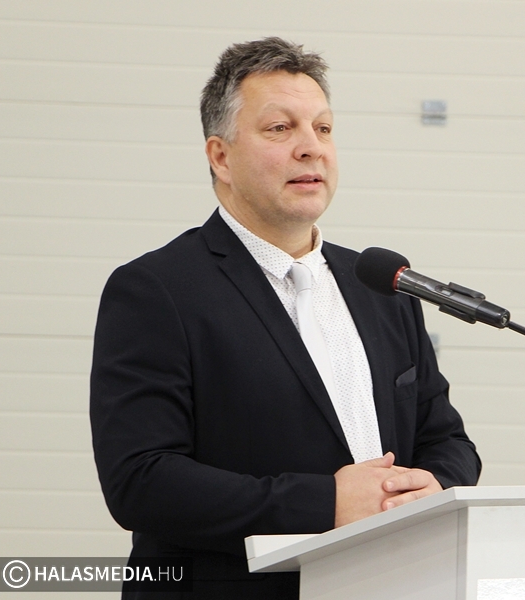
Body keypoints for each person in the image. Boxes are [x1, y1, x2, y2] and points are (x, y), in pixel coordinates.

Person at [89, 37, 481, 599]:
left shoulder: (382, 286)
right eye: (280, 128)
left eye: (323, 128)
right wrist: (327, 502)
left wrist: (433, 484)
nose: (311, 148)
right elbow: (141, 481)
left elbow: (448, 440)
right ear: (220, 157)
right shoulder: (156, 290)